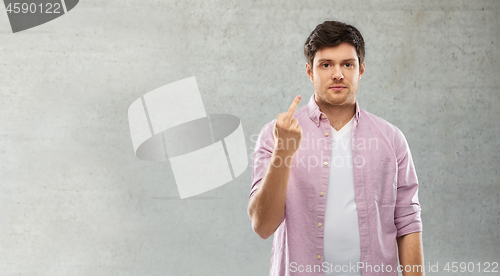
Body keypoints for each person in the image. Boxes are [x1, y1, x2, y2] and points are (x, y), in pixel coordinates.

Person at [247, 21, 424, 276]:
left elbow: (408, 221)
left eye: (347, 64)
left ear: (361, 70)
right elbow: (262, 226)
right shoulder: (276, 134)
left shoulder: (391, 139)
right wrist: (284, 151)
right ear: (310, 71)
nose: (338, 74)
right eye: (326, 64)